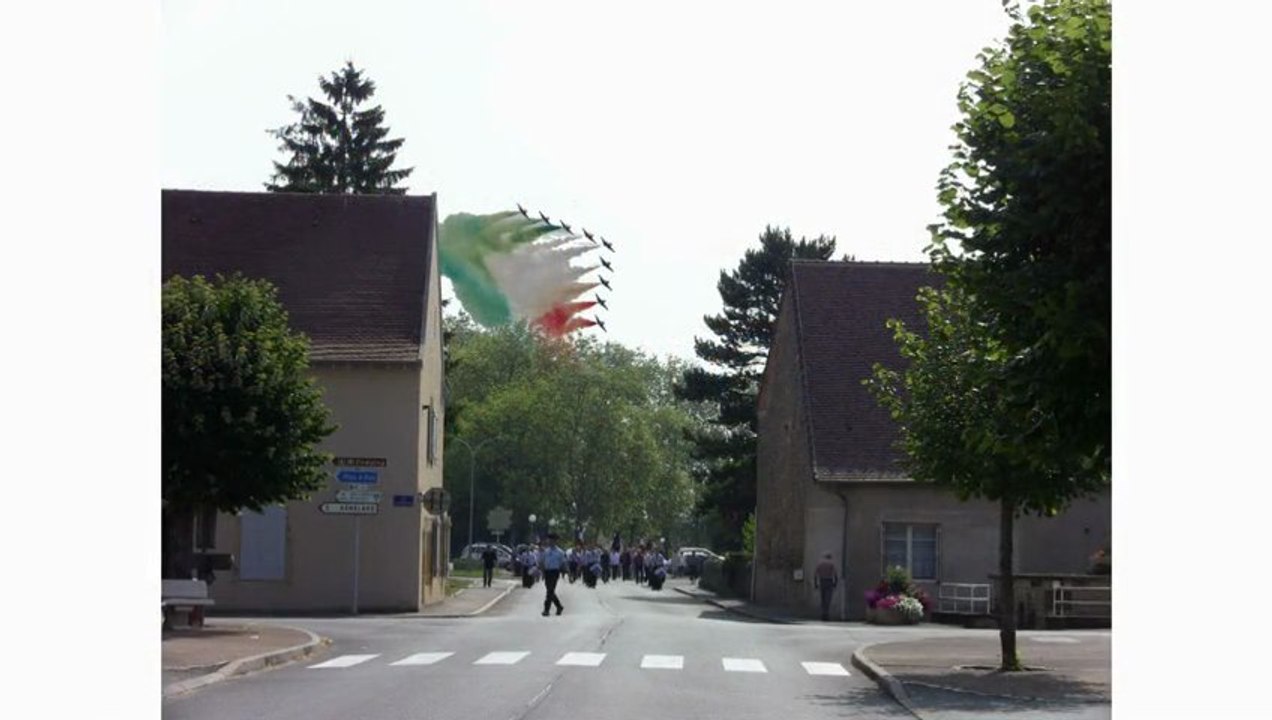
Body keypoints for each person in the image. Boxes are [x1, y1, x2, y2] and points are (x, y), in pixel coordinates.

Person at [814, 552, 839, 621]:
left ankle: (823, 614)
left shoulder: (820, 565)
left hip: (822, 581)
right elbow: (835, 574)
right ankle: (826, 614)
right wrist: (835, 584)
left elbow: (815, 574)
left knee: (823, 599)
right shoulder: (831, 565)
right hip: (829, 581)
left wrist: (815, 584)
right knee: (828, 599)